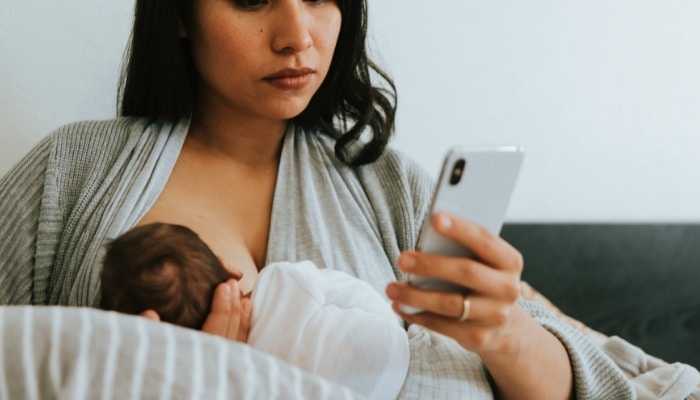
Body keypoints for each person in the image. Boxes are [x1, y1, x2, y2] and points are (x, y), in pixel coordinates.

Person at [0, 0, 635, 399]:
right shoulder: (69, 175)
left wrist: (507, 335)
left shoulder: (392, 188)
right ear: (178, 15)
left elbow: (598, 386)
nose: (296, 35)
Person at [100, 222, 409, 399]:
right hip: (395, 357)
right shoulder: (283, 281)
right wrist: (392, 330)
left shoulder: (240, 383)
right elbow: (353, 293)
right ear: (228, 268)